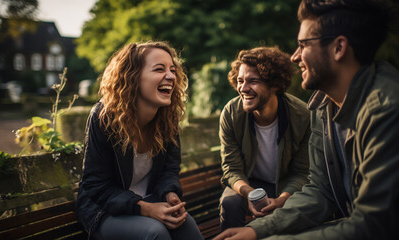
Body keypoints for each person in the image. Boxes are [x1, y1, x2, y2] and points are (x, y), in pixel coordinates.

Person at [214, 0, 398, 239]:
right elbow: (321, 190)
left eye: (303, 45)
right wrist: (255, 230)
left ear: (339, 47)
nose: (294, 57)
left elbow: (374, 225)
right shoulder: (323, 106)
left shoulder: (386, 110)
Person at [76, 41, 204, 240]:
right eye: (159, 69)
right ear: (133, 77)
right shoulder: (104, 117)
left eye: (172, 69)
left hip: (150, 200)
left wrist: (169, 194)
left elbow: (168, 171)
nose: (171, 76)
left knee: (186, 225)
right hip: (103, 211)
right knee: (155, 233)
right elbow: (96, 187)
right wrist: (145, 209)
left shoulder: (168, 117)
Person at [218, 46, 310, 231]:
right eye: (240, 81)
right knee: (230, 203)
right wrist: (250, 194)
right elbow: (231, 169)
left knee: (296, 208)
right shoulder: (231, 113)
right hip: (249, 183)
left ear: (274, 84)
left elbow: (302, 172)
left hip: (285, 184)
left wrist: (283, 198)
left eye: (252, 81)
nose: (243, 88)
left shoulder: (302, 115)